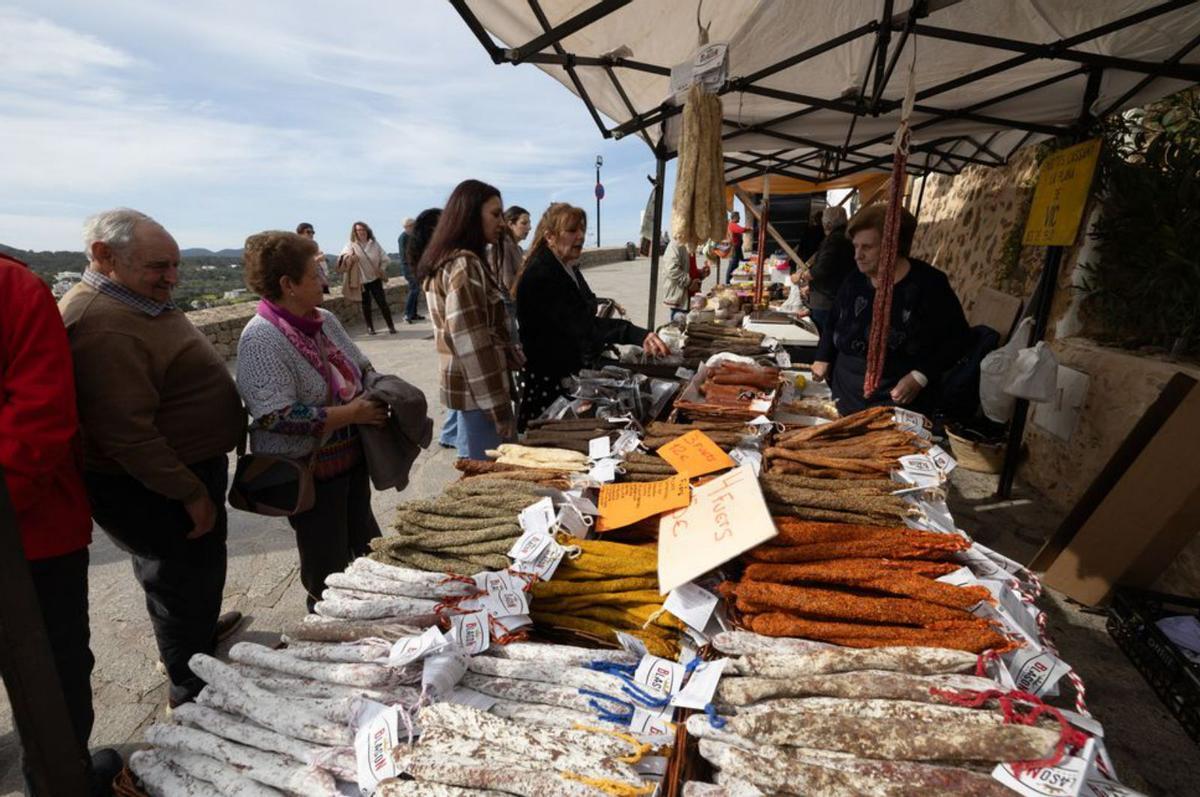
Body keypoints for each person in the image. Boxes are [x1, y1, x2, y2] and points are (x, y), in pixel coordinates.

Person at [59, 208, 244, 708]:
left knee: (193, 575)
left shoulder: (134, 300)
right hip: (156, 485)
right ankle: (191, 691)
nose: (172, 278)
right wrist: (188, 493)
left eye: (176, 265)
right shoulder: (101, 322)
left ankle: (196, 637)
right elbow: (126, 433)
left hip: (181, 471)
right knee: (177, 577)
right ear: (103, 256)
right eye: (158, 266)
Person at [1, 253, 123, 796]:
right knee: (48, 673)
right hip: (26, 538)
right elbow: (41, 418)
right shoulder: (11, 285)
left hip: (26, 524)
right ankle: (61, 781)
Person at [236, 231, 387, 611]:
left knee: (366, 544)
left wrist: (380, 391)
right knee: (326, 562)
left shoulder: (325, 319)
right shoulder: (261, 338)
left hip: (351, 460)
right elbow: (276, 415)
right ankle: (328, 623)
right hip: (308, 472)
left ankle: (372, 613)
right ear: (288, 284)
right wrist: (351, 413)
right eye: (315, 273)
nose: (326, 280)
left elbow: (362, 366)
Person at [515, 202, 669, 428]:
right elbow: (581, 325)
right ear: (550, 236)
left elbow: (583, 308)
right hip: (550, 380)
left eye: (582, 230)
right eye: (572, 231)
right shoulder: (542, 273)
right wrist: (634, 334)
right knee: (550, 440)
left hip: (570, 371)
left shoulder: (567, 266)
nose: (580, 236)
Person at [811, 204, 970, 416]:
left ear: (892, 246)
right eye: (856, 247)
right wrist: (823, 356)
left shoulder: (929, 284)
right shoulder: (854, 280)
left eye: (867, 247)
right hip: (845, 394)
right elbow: (833, 322)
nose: (857, 255)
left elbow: (958, 339)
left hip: (897, 400)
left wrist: (920, 376)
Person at [418, 180, 520, 460]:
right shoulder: (465, 265)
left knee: (477, 470)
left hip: (470, 392)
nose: (502, 222)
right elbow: (470, 344)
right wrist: (498, 409)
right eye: (495, 214)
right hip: (480, 395)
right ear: (471, 215)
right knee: (490, 478)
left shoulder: (447, 260)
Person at [405, 209, 459, 448]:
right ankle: (449, 435)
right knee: (460, 392)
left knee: (458, 393)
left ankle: (449, 434)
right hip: (452, 341)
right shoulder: (439, 269)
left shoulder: (430, 266)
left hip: (448, 342)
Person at [338, 221, 396, 335]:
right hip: (362, 280)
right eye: (358, 230)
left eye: (363, 230)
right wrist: (350, 258)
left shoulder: (374, 244)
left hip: (375, 278)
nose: (361, 232)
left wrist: (381, 269)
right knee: (366, 305)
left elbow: (385, 259)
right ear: (355, 232)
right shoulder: (351, 245)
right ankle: (370, 328)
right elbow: (343, 257)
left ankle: (391, 326)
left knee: (382, 303)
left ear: (367, 230)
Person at [804, 206, 856, 333]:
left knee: (823, 336)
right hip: (837, 296)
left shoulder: (834, 240)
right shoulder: (846, 236)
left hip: (826, 301)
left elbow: (822, 269)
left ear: (827, 224)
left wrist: (805, 275)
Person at [490, 205, 531, 295]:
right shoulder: (503, 246)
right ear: (511, 224)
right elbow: (509, 283)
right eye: (524, 223)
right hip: (505, 304)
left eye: (529, 223)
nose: (529, 228)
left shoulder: (519, 249)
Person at [397, 217, 424, 324]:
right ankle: (407, 314)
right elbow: (405, 255)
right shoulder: (403, 237)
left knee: (416, 290)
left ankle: (414, 314)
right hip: (408, 267)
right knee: (414, 289)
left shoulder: (413, 236)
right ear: (407, 226)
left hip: (415, 266)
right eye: (412, 225)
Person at [296, 222, 330, 294]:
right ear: (300, 233)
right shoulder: (296, 248)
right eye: (308, 232)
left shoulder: (313, 246)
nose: (311, 234)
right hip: (306, 284)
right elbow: (300, 265)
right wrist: (317, 259)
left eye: (313, 232)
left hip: (318, 281)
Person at [725, 211, 748, 284]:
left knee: (735, 265)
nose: (740, 218)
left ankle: (732, 281)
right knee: (732, 265)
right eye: (738, 217)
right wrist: (749, 229)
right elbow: (741, 230)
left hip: (737, 248)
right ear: (734, 217)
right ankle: (728, 282)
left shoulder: (732, 224)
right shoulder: (732, 225)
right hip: (734, 248)